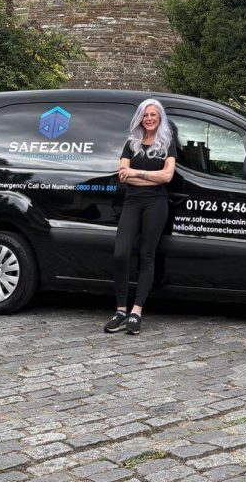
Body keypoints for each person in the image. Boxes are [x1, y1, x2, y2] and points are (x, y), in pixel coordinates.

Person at [104, 98, 177, 336]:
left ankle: (136, 311)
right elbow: (123, 175)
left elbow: (167, 177)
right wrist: (146, 176)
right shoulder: (131, 143)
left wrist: (137, 172)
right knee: (120, 253)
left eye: (154, 115)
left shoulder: (167, 143)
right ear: (140, 118)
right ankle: (121, 310)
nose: (149, 119)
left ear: (160, 118)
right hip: (133, 201)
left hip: (156, 203)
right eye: (146, 115)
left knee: (147, 255)